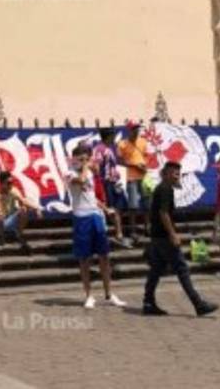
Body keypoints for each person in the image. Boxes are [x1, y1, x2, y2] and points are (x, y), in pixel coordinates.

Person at [143, 161, 218, 317]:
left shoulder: (163, 188)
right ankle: (198, 304)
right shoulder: (165, 189)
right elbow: (163, 213)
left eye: (179, 174)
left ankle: (148, 302)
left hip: (157, 236)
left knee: (156, 270)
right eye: (174, 173)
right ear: (166, 174)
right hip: (164, 237)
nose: (177, 176)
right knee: (182, 269)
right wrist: (172, 234)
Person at [66, 144, 127, 310]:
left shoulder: (91, 174)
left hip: (95, 216)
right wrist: (85, 165)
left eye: (87, 158)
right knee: (85, 259)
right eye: (81, 158)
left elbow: (91, 195)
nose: (85, 161)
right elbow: (81, 181)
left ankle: (109, 294)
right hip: (81, 218)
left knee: (104, 256)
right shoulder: (70, 174)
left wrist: (105, 208)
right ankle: (88, 295)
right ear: (75, 159)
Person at [92, 128, 130, 248]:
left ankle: (117, 233)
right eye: (113, 136)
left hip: (114, 182)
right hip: (106, 183)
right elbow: (97, 167)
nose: (114, 138)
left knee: (120, 207)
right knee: (112, 209)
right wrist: (99, 182)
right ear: (108, 136)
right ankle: (118, 235)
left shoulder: (109, 149)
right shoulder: (100, 149)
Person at [0, 170, 41, 248]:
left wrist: (36, 208)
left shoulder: (13, 191)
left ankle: (19, 234)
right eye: (8, 183)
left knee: (23, 209)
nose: (11, 185)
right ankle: (0, 237)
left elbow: (23, 200)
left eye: (12, 183)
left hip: (9, 220)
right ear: (1, 183)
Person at [116, 119, 152, 241]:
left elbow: (147, 157)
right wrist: (134, 165)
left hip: (144, 177)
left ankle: (148, 227)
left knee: (147, 204)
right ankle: (133, 230)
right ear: (129, 130)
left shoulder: (143, 142)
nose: (137, 131)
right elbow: (119, 160)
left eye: (138, 128)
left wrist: (145, 165)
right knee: (133, 206)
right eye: (134, 129)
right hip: (131, 177)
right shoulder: (122, 144)